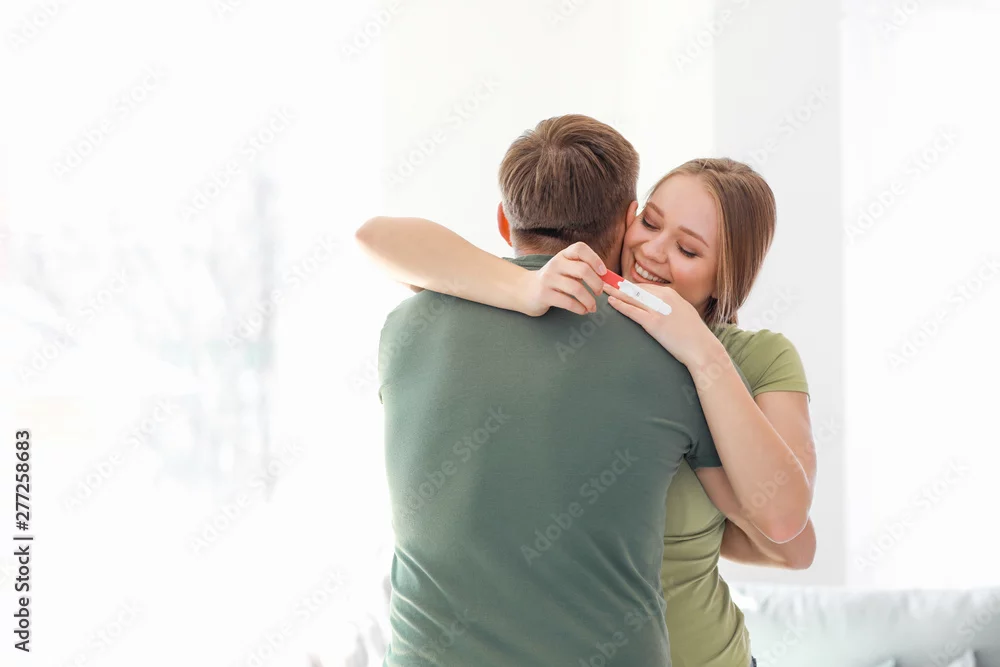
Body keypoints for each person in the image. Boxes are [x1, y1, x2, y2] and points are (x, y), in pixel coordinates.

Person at [361, 114, 809, 667]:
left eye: (689, 250)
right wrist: (525, 287)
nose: (653, 251)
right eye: (650, 223)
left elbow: (790, 535)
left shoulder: (407, 325)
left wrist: (702, 350)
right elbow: (375, 238)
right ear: (626, 220)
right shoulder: (646, 353)